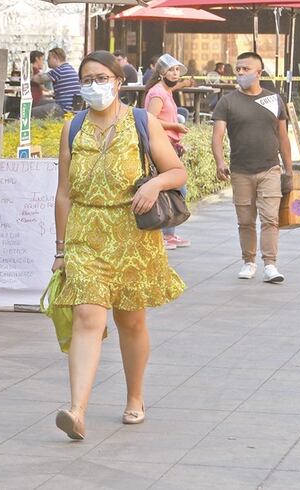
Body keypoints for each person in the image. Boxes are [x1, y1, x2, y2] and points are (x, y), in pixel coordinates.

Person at [51, 51, 186, 440]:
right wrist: (60, 250)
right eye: (87, 79)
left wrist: (154, 184)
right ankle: (77, 410)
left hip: (133, 235)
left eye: (101, 78)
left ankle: (135, 396)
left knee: (131, 320)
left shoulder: (142, 122)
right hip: (85, 234)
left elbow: (177, 172)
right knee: (87, 316)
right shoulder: (73, 128)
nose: (94, 85)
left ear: (118, 81)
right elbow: (64, 193)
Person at [212, 52, 294, 284]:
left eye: (245, 69)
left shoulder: (274, 100)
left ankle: (270, 264)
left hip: (270, 169)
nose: (240, 73)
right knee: (246, 220)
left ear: (259, 72)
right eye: (238, 69)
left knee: (270, 218)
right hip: (240, 171)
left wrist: (289, 169)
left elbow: (283, 136)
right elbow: (217, 136)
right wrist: (220, 162)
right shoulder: (227, 102)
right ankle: (249, 261)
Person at [143, 54, 197, 250]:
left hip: (169, 145)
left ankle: (168, 233)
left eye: (177, 70)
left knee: (174, 188)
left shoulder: (165, 90)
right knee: (176, 188)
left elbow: (173, 88)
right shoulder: (158, 93)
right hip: (161, 145)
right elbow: (150, 119)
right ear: (161, 73)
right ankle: (165, 234)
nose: (175, 73)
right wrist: (175, 126)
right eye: (171, 70)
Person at [32, 47, 78, 113]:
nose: (47, 61)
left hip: (63, 108)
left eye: (49, 58)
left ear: (56, 58)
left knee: (31, 112)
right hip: (72, 108)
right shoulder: (69, 68)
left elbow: (36, 79)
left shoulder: (58, 71)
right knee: (46, 103)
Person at [29, 50, 62, 118]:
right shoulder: (35, 71)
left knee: (54, 102)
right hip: (36, 99)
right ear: (37, 59)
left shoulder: (32, 70)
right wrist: (50, 92)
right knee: (54, 104)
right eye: (42, 60)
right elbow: (42, 88)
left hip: (36, 98)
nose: (43, 62)